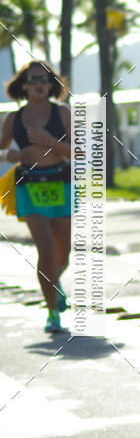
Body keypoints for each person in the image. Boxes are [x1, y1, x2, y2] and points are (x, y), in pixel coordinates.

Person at [0, 60, 72, 333]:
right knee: (46, 249)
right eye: (32, 80)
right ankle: (52, 312)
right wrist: (8, 155)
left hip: (60, 185)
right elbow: (0, 150)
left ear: (51, 84)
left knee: (63, 254)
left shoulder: (62, 113)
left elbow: (79, 151)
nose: (39, 84)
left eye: (43, 79)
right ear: (24, 85)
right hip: (29, 186)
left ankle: (54, 282)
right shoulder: (13, 119)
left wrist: (48, 140)